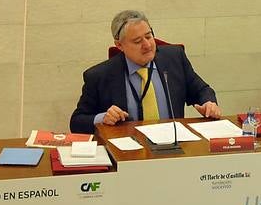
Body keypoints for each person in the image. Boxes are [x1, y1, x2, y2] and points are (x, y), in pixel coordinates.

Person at [69, 10, 221, 133]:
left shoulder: (175, 58)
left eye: (149, 36)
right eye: (137, 41)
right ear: (119, 45)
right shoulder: (99, 76)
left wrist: (209, 103)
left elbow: (202, 90)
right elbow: (77, 122)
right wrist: (103, 118)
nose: (147, 45)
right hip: (128, 154)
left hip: (174, 147)